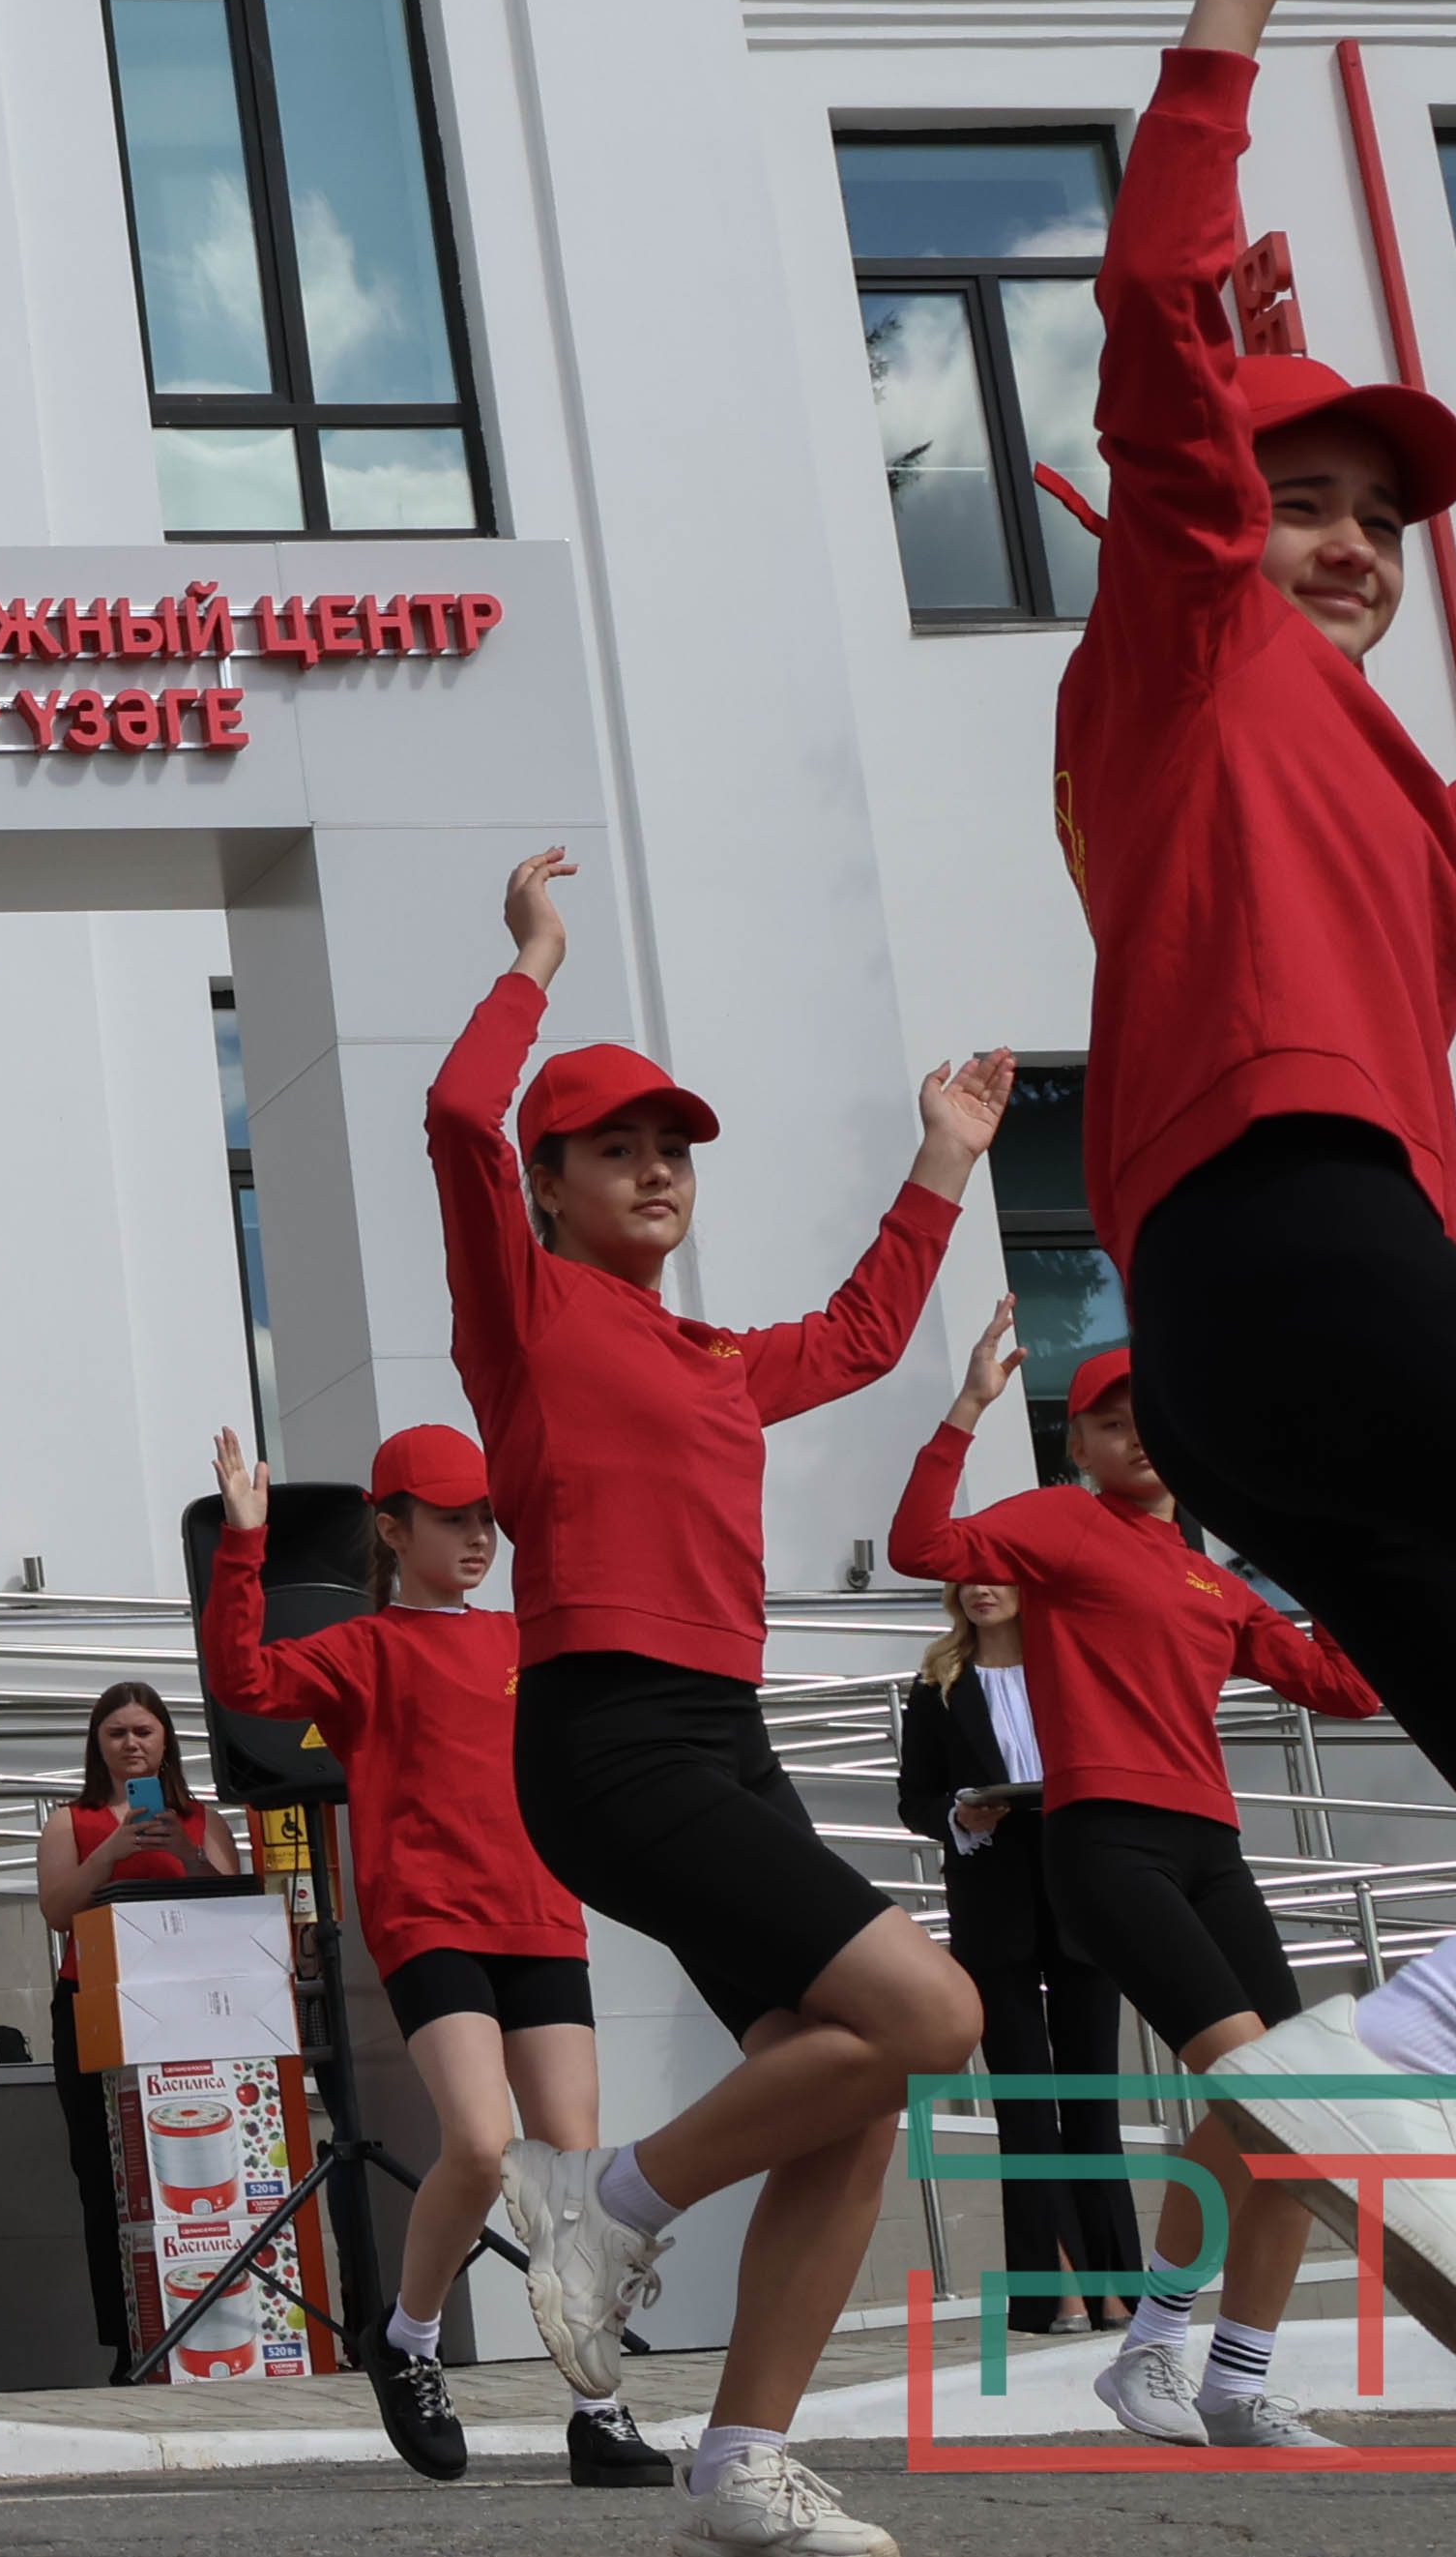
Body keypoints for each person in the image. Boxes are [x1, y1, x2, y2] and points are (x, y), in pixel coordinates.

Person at [1050, 0, 1456, 2498]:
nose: (1357, 533)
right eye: (1311, 496)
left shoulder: (1399, 795)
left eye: (1388, 509)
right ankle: (1393, 2051)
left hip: (1286, 1363)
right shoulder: (1178, 651)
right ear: (1211, 521)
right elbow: (1162, 329)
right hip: (1289, 1269)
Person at [445, 849, 992, 2557]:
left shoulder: (717, 1361)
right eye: (615, 1147)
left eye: (672, 1147)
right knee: (940, 2009)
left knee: (858, 2078)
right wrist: (535, 957)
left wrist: (943, 1161)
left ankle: (740, 2462)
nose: (656, 1168)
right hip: (605, 1733)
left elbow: (859, 1330)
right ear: (547, 1188)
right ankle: (600, 2200)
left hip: (721, 1739)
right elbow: (464, 1113)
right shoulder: (523, 1313)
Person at [891, 1319, 1388, 2454]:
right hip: (1107, 1841)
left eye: (1154, 1419)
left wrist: (1352, 1534)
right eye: (1112, 1422)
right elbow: (922, 1542)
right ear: (1080, 1445)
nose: (1138, 1437)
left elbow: (1349, 1686)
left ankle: (1236, 2379)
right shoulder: (1066, 1524)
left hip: (1212, 1846)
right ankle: (1150, 2345)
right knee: (1263, 2093)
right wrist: (967, 1405)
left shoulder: (1214, 1580)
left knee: (1290, 2116)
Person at [203, 1425, 670, 2491]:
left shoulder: (522, 1637)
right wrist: (243, 1541)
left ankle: (598, 2409)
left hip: (541, 1917)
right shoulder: (364, 1648)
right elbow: (240, 1677)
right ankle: (407, 2341)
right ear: (390, 1526)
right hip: (429, 1919)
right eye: (451, 1518)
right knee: (476, 2143)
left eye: (485, 1520)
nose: (476, 1537)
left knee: (571, 2175)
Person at [897, 1568, 1144, 2347]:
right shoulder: (937, 1681)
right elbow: (913, 1797)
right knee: (1025, 2105)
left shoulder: (1073, 1664)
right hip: (991, 1898)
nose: (979, 1589)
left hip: (1082, 1894)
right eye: (965, 1578)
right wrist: (959, 1812)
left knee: (1092, 2102)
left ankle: (1118, 2290)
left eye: (997, 1576)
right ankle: (1058, 2289)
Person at [27, 1674, 252, 2380]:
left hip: (188, 2009)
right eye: (116, 1732)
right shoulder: (71, 1820)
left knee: (196, 2168)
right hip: (94, 2004)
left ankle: (213, 2325)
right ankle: (128, 2336)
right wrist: (110, 1852)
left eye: (142, 1730)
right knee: (104, 2171)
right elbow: (57, 1911)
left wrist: (181, 1854)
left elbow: (230, 1904)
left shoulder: (201, 1817)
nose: (130, 1742)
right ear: (98, 1745)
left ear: (164, 1742)